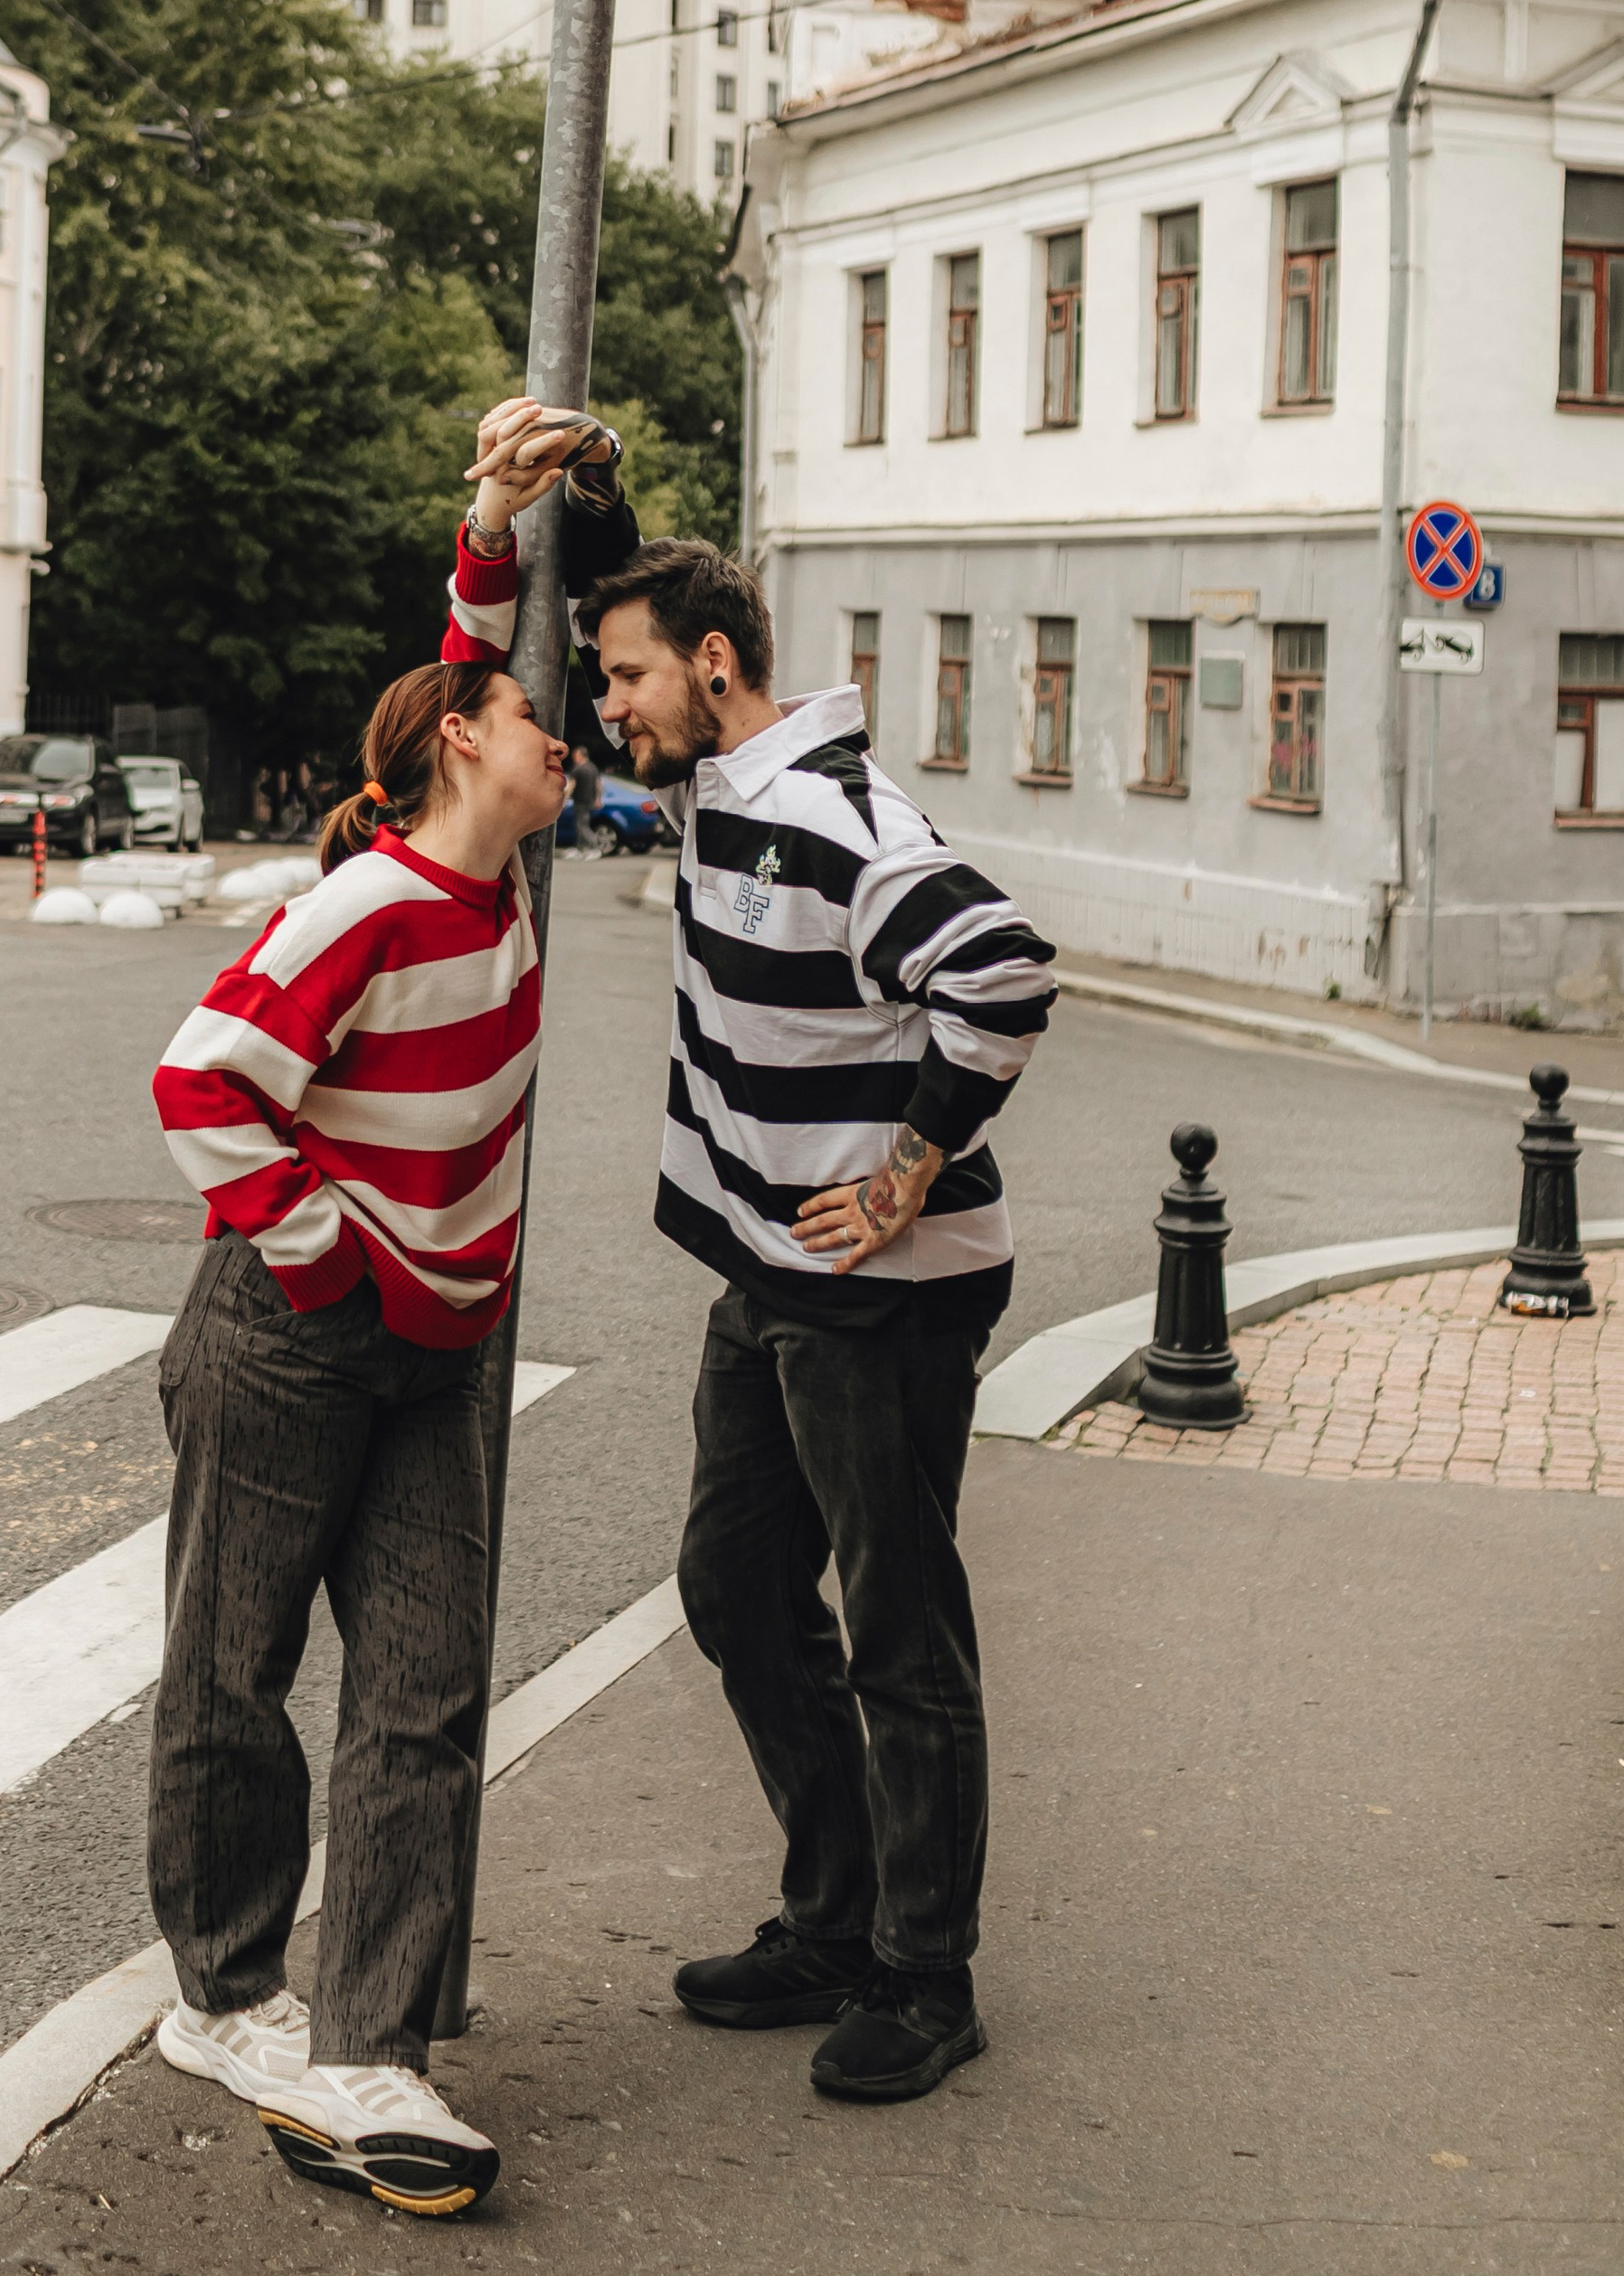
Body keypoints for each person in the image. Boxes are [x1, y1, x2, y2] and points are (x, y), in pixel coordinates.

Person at [453, 399, 1055, 2108]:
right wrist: (568, 494)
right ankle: (836, 1910)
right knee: (733, 1590)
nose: (602, 706)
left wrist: (909, 1170)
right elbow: (622, 591)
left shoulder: (835, 822)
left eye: (627, 679)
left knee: (899, 1628)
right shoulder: (726, 781)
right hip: (772, 1282)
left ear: (712, 669)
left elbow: (1003, 971)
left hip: (880, 1297)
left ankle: (925, 1979)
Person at [144, 413, 629, 2219]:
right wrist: (326, 1255)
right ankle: (222, 1993)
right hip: (290, 1335)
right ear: (459, 751)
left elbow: (475, 642)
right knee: (234, 1674)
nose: (557, 735)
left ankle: (371, 2054)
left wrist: (503, 516)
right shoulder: (368, 900)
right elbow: (202, 1085)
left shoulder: (511, 875)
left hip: (434, 1358)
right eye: (529, 721)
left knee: (422, 1697)